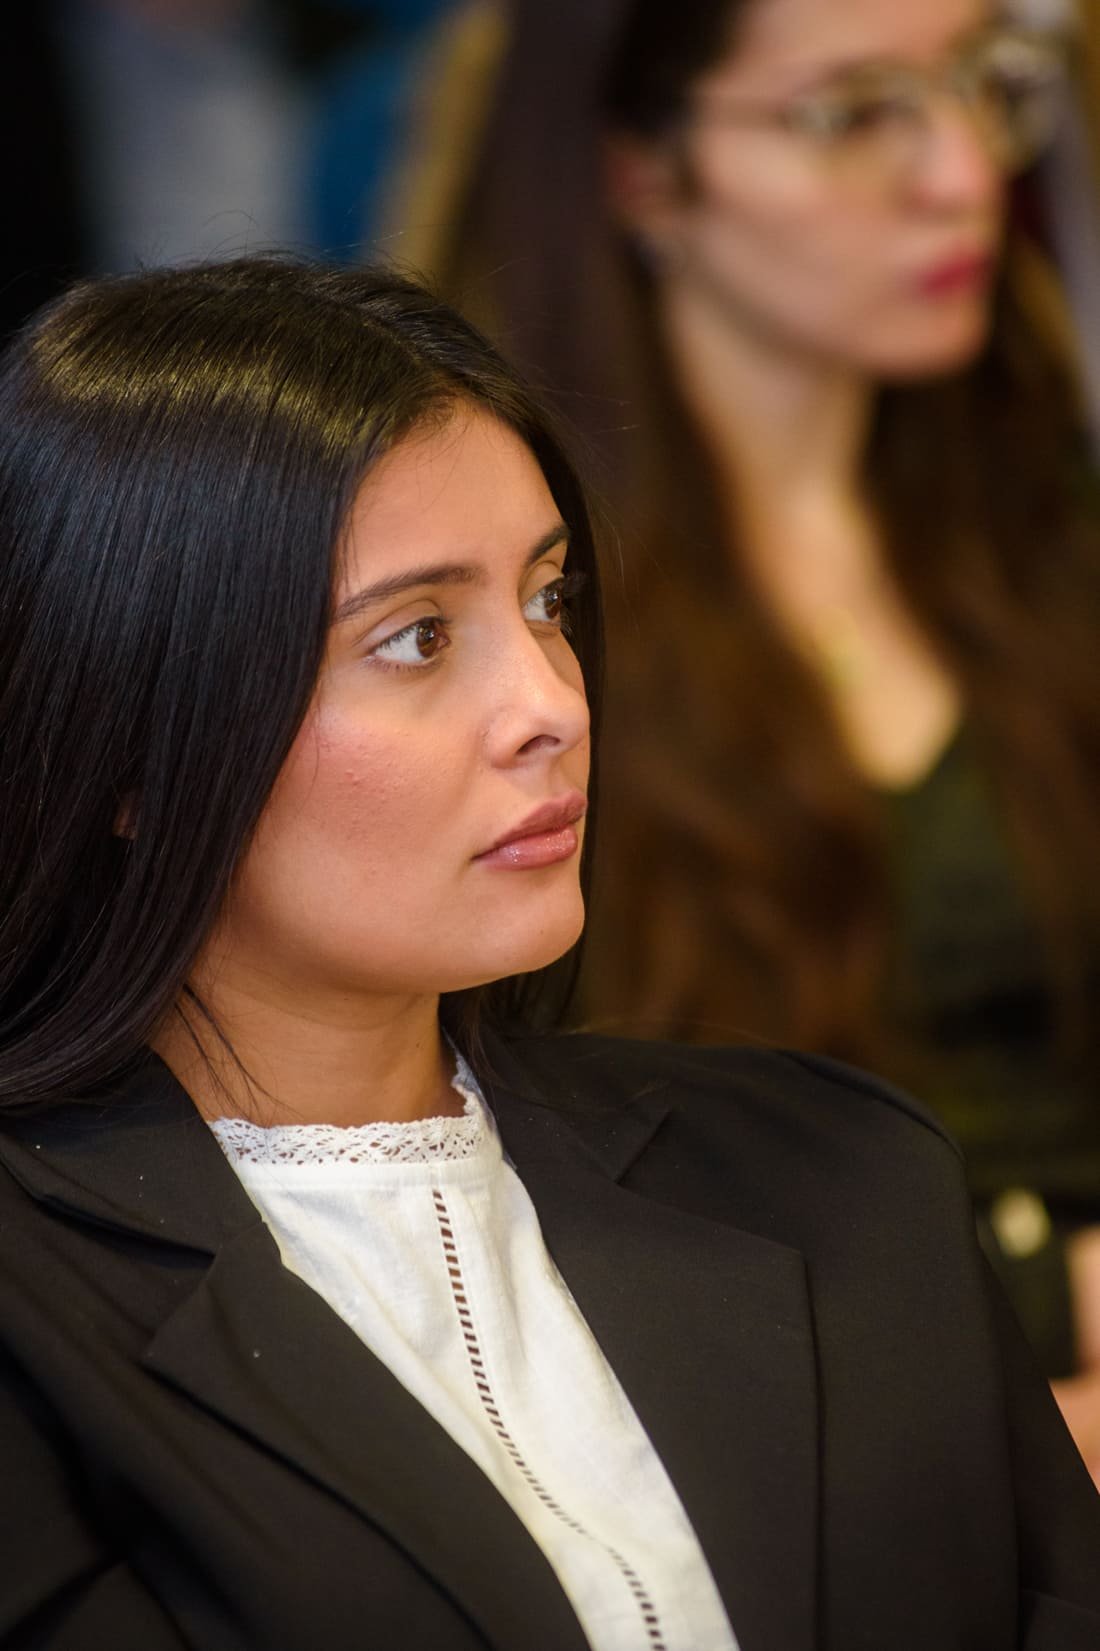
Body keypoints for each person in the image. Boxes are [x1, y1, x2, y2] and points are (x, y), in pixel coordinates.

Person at [1, 256, 1099, 1651]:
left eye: (546, 600)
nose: (552, 705)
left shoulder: (845, 1179)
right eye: (417, 637)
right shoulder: (37, 1302)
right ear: (131, 748)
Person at [435, 0, 1100, 1443]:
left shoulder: (1039, 525)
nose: (965, 174)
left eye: (980, 83)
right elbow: (538, 1175)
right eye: (852, 113)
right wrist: (1039, 1319)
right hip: (791, 1412)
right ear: (643, 171)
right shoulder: (523, 632)